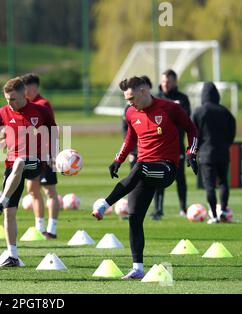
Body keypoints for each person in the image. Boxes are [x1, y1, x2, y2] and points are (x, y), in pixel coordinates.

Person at [92, 76, 198, 279]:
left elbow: (192, 129)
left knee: (140, 167)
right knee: (134, 217)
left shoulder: (170, 108)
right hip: (145, 169)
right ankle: (138, 269)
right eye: (126, 99)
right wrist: (118, 159)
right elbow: (130, 137)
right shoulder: (131, 112)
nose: (129, 103)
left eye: (131, 97)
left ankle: (105, 205)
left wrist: (192, 153)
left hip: (166, 169)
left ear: (143, 91)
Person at [0, 77, 57, 267]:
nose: (10, 103)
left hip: (36, 161)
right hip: (12, 165)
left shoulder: (40, 110)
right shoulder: (3, 112)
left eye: (14, 99)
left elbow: (53, 131)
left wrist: (53, 154)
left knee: (20, 162)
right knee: (10, 212)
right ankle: (12, 256)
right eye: (7, 99)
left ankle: (1, 200)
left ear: (24, 93)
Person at [21, 73, 60, 239]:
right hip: (30, 154)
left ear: (34, 87)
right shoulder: (23, 105)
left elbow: (52, 129)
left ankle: (52, 229)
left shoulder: (43, 104)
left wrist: (53, 153)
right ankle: (39, 228)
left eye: (25, 87)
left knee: (49, 190)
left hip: (45, 154)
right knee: (32, 189)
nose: (23, 91)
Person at [192, 82, 236, 224]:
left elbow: (193, 132)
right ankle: (223, 210)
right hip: (223, 152)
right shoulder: (225, 111)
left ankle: (214, 215)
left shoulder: (199, 111)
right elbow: (232, 132)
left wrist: (195, 150)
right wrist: (226, 144)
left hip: (206, 154)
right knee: (223, 182)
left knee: (209, 185)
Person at [150, 69, 192, 220]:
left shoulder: (182, 99)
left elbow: (185, 119)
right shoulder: (155, 98)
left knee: (180, 177)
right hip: (159, 146)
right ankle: (158, 210)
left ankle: (183, 208)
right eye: (163, 81)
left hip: (177, 145)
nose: (165, 84)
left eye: (168, 81)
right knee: (159, 177)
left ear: (175, 82)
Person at [122, 75, 153, 169]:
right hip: (135, 151)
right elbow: (126, 130)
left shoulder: (157, 106)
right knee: (135, 180)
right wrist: (129, 151)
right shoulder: (129, 109)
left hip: (151, 153)